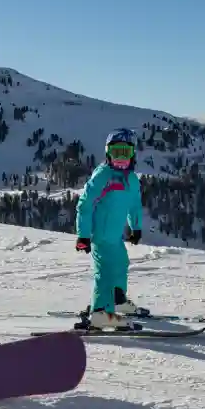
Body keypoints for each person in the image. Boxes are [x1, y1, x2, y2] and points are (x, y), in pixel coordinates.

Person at [74, 128, 145, 330]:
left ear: (133, 153)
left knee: (121, 263)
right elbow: (85, 204)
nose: (120, 158)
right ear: (108, 153)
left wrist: (136, 228)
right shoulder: (103, 175)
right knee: (105, 271)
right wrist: (84, 235)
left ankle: (117, 299)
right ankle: (100, 313)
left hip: (115, 236)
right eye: (116, 152)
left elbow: (134, 205)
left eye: (125, 152)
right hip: (100, 235)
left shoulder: (131, 179)